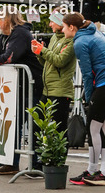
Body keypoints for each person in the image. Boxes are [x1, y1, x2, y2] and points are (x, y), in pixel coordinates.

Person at [0, 6, 44, 174]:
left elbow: (9, 57)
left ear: (8, 19)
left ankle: (36, 164)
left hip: (31, 84)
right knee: (14, 122)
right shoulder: (5, 35)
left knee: (33, 124)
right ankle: (11, 163)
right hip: (17, 85)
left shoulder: (20, 33)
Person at [62, 13, 105, 186]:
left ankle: (96, 171)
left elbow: (87, 74)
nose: (63, 29)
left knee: (93, 128)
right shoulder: (94, 32)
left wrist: (87, 97)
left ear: (72, 28)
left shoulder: (80, 42)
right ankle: (101, 172)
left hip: (104, 84)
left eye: (64, 26)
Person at [30, 10, 76, 138]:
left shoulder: (71, 41)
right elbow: (48, 62)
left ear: (60, 22)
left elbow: (60, 61)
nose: (50, 25)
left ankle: (59, 158)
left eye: (52, 21)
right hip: (48, 89)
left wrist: (42, 50)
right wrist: (38, 53)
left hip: (61, 91)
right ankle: (37, 157)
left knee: (59, 129)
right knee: (36, 124)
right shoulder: (55, 37)